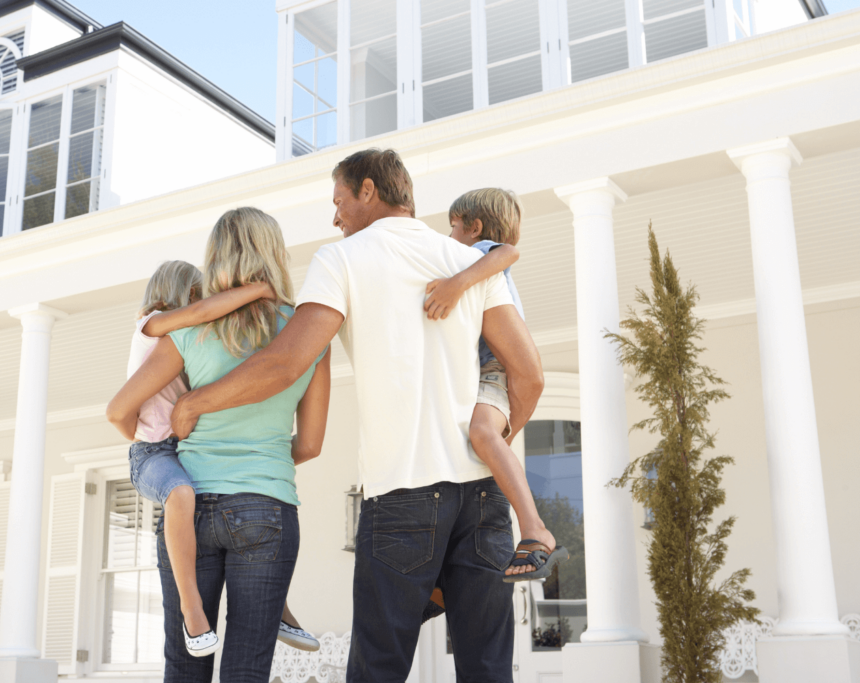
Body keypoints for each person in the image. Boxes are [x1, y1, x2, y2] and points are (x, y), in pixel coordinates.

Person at [170, 149, 545, 683]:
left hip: (402, 497)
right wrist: (493, 441)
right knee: (488, 668)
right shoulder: (467, 259)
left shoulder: (341, 258)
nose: (335, 216)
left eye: (339, 200)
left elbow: (287, 361)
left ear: (368, 191)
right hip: (483, 500)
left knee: (378, 669)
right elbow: (528, 375)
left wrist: (194, 402)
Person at [107, 209, 330, 681]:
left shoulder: (185, 331)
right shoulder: (307, 334)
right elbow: (309, 444)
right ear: (274, 255)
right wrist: (261, 462)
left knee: (186, 665)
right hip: (267, 506)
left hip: (194, 507)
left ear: (215, 260)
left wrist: (147, 440)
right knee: (247, 668)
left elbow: (122, 407)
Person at [423, 188, 567, 582]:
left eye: (452, 227)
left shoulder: (482, 255)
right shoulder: (474, 259)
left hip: (496, 367)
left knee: (484, 434)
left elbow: (508, 252)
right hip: (483, 368)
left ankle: (536, 529)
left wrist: (455, 284)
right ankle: (445, 579)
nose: (448, 236)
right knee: (475, 455)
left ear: (475, 228)